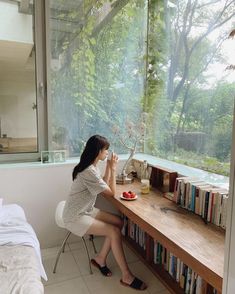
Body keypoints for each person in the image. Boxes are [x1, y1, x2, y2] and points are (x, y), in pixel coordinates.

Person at [63, 134, 147, 291]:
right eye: (105, 149)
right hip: (75, 217)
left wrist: (109, 168)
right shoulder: (89, 171)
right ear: (98, 151)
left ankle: (100, 259)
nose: (107, 152)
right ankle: (127, 276)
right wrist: (114, 168)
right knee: (114, 231)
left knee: (118, 221)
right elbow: (111, 193)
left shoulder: (91, 167)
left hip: (85, 211)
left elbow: (103, 184)